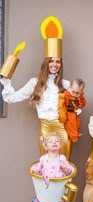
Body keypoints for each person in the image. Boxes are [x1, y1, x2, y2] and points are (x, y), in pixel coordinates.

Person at [0, 16, 73, 160]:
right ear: (46, 63)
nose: (54, 64)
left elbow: (74, 108)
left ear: (61, 64)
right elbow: (11, 97)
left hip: (63, 129)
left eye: (57, 62)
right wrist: (6, 82)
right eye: (51, 61)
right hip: (45, 128)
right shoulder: (34, 83)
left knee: (64, 165)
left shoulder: (66, 84)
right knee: (47, 165)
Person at [31, 132, 72, 202]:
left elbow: (69, 172)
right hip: (48, 188)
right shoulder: (43, 159)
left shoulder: (62, 158)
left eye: (57, 141)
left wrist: (65, 169)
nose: (54, 142)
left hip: (59, 189)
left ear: (60, 145)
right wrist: (34, 170)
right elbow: (39, 171)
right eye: (51, 141)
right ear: (46, 146)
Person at [58, 78, 86, 142]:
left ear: (81, 92)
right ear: (70, 87)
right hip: (68, 112)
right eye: (73, 91)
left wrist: (80, 106)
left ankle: (76, 132)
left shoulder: (80, 96)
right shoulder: (66, 94)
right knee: (71, 123)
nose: (74, 94)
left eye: (77, 93)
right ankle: (74, 137)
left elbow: (83, 103)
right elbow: (61, 103)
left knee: (77, 122)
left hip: (75, 112)